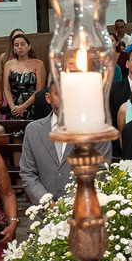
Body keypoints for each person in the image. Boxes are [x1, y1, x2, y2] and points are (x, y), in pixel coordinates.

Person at [19, 86, 112, 239]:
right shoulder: (33, 130)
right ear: (48, 98)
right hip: (42, 220)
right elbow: (27, 172)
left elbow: (101, 172)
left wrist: (69, 205)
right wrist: (48, 203)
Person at [3, 33, 46, 120]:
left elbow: (39, 89)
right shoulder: (8, 64)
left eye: (23, 44)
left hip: (32, 104)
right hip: (13, 106)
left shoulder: (38, 64)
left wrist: (23, 107)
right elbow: (7, 89)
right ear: (13, 49)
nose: (20, 47)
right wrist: (13, 109)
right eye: (16, 45)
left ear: (29, 46)